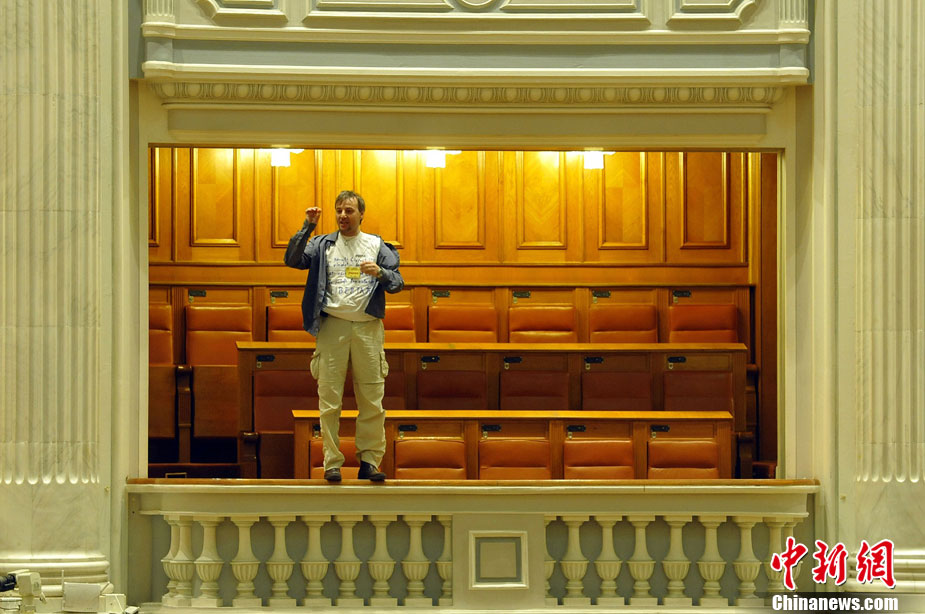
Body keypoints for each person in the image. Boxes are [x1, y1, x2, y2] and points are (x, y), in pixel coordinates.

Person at [284, 190, 404, 482]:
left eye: (349, 211)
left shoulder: (376, 244)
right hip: (332, 326)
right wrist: (308, 226)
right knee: (329, 400)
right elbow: (293, 259)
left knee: (372, 399)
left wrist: (381, 273)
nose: (342, 215)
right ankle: (332, 463)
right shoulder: (323, 244)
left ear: (361, 214)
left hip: (367, 328)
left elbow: (397, 282)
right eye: (339, 210)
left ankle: (370, 462)